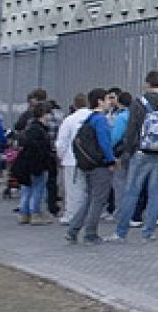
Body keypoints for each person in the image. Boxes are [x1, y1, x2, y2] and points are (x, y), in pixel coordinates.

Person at [108, 71, 158, 242]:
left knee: (131, 192)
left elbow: (131, 130)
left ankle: (121, 232)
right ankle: (149, 232)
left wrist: (128, 152)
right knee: (156, 192)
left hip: (141, 152)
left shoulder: (139, 103)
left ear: (146, 83)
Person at [65, 89, 117, 245]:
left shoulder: (89, 118)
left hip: (86, 164)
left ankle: (73, 230)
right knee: (98, 200)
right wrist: (111, 160)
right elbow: (104, 143)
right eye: (108, 99)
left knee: (89, 198)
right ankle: (90, 233)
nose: (110, 102)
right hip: (99, 165)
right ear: (100, 101)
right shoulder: (101, 120)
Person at [12, 103, 56, 225]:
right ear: (43, 114)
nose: (50, 116)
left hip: (26, 163)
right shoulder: (40, 130)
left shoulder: (29, 128)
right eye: (48, 113)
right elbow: (41, 149)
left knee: (26, 189)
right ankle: (35, 213)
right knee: (38, 189)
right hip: (37, 164)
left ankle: (24, 214)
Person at [54, 94, 91, 226]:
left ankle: (72, 215)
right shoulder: (93, 117)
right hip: (91, 160)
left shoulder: (69, 120)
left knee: (73, 190)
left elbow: (61, 142)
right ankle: (87, 214)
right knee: (87, 189)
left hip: (71, 159)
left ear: (74, 105)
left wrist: (61, 156)